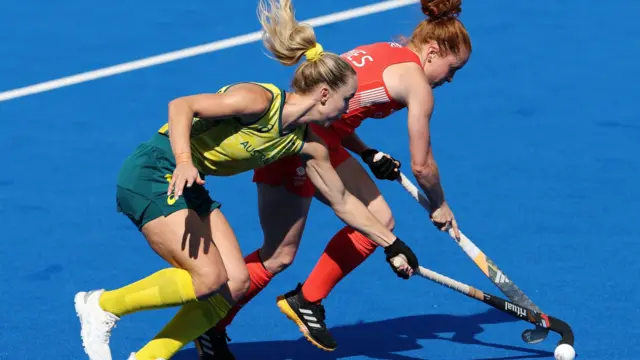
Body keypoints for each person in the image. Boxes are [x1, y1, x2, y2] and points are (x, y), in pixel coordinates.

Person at [72, 0, 420, 359]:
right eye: (346, 100)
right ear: (325, 94)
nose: (348, 110)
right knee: (207, 278)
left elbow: (343, 201)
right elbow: (182, 105)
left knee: (234, 285)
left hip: (191, 185)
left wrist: (391, 242)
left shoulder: (306, 143)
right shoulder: (260, 100)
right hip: (155, 170)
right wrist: (184, 161)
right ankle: (101, 305)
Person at [193, 0, 471, 358]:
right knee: (278, 255)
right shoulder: (418, 85)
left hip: (323, 139)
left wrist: (366, 151)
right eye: (452, 69)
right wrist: (440, 204)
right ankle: (208, 325)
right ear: (433, 52)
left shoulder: (386, 50)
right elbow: (423, 166)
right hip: (298, 146)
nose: (449, 79)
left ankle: (306, 299)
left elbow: (338, 111)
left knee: (380, 221)